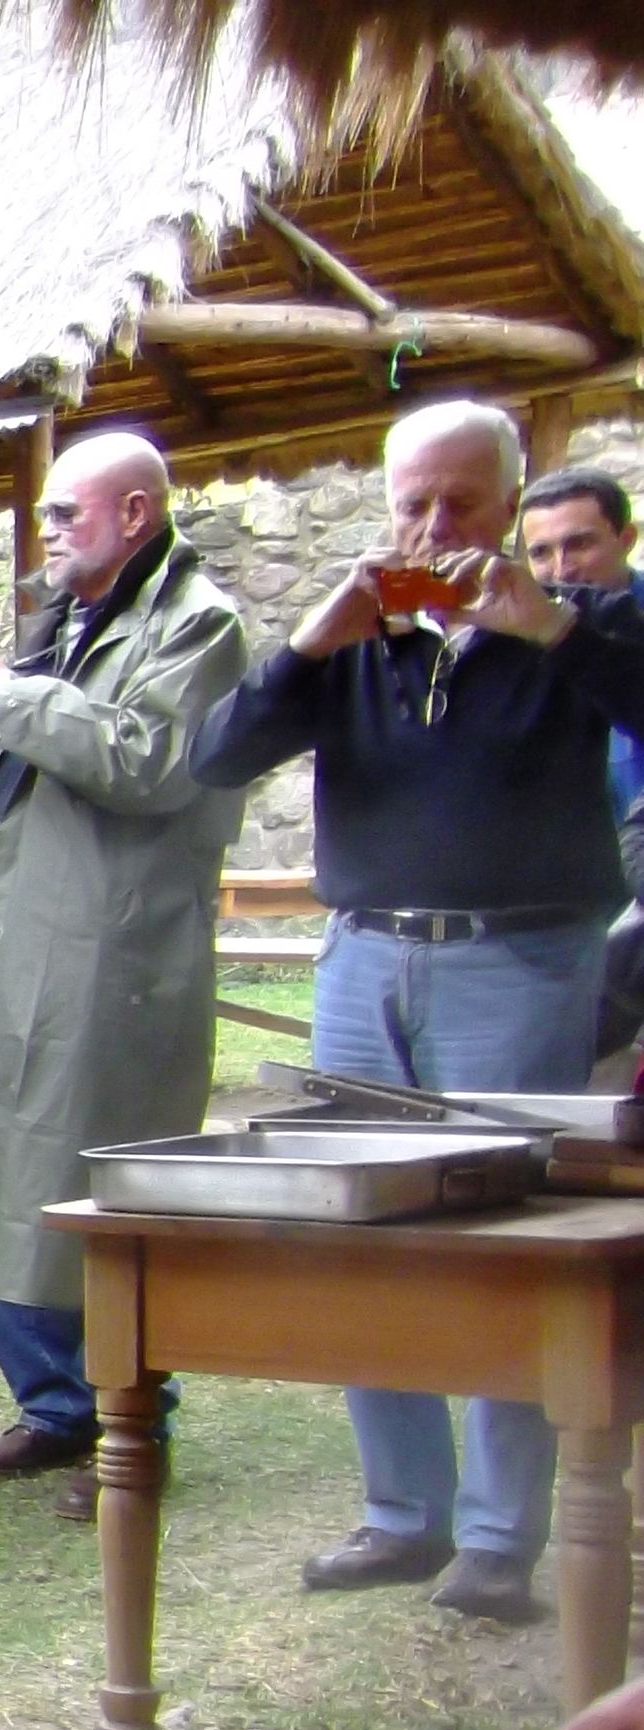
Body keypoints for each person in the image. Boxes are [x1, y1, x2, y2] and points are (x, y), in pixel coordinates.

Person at [194, 401, 644, 1623]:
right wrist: (305, 648)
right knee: (356, 1238)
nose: (435, 528)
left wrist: (546, 628)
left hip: (520, 961)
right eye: (413, 503)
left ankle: (500, 1539)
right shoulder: (359, 636)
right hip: (360, 963)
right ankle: (403, 1512)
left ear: (511, 507)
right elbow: (216, 760)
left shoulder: (586, 621)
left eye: (461, 503)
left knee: (505, 1244)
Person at [0, 432, 249, 1518]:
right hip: (16, 953)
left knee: (104, 1211)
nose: (52, 533)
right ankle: (63, 1406)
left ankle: (136, 1429)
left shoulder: (199, 626)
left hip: (113, 963)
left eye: (68, 515)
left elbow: (147, 762)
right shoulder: (68, 621)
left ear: (134, 513)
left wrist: (7, 690)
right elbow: (20, 771)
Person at [521, 467, 644, 1045]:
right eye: (540, 553)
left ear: (628, 538)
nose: (562, 570)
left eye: (580, 543)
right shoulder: (521, 644)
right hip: (578, 903)